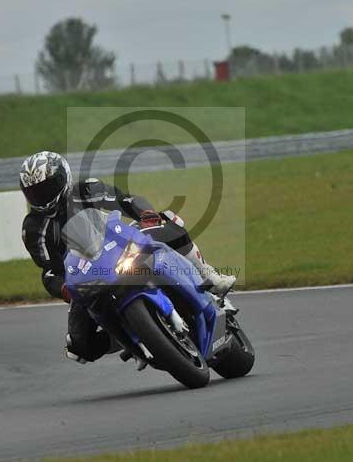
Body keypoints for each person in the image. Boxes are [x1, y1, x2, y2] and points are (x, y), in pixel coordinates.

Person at [19, 150, 235, 364]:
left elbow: (126, 200)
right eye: (35, 192)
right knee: (79, 345)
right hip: (88, 275)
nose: (42, 196)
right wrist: (64, 288)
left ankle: (210, 275)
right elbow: (49, 272)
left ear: (63, 178)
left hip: (120, 243)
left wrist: (146, 215)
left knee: (170, 223)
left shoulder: (85, 190)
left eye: (47, 188)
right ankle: (130, 339)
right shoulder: (33, 229)